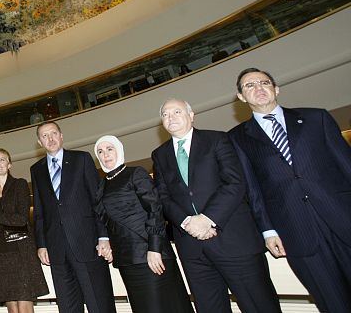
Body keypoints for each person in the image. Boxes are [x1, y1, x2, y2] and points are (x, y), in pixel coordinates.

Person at [229, 67, 351, 312]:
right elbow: (253, 190)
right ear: (241, 98)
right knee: (332, 302)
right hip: (296, 230)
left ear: (276, 89)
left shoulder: (317, 118)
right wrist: (267, 230)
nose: (258, 89)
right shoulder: (237, 137)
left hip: (342, 217)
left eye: (264, 82)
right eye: (249, 86)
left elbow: (346, 164)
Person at [151, 99, 280, 313]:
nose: (170, 117)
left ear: (191, 115)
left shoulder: (218, 139)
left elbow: (235, 183)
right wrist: (186, 222)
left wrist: (206, 219)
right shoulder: (159, 154)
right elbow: (162, 197)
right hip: (192, 250)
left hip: (233, 240)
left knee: (259, 305)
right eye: (165, 114)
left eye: (176, 111)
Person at [92, 136, 192, 313]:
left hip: (151, 256)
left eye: (109, 149)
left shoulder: (135, 173)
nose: (105, 154)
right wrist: (105, 241)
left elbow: (155, 210)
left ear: (119, 150)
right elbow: (103, 219)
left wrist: (155, 249)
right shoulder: (101, 186)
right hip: (126, 261)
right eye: (100, 151)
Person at [30, 121, 116, 313]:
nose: (50, 138)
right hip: (56, 249)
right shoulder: (36, 170)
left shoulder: (82, 159)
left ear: (61, 136)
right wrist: (42, 243)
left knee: (99, 303)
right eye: (45, 136)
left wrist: (104, 237)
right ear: (39, 142)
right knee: (68, 307)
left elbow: (98, 201)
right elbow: (40, 212)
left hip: (87, 244)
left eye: (53, 133)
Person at [0, 148, 48, 313]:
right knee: (12, 308)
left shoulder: (19, 184)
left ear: (9, 164)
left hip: (20, 252)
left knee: (24, 305)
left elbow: (21, 219)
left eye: (2, 160)